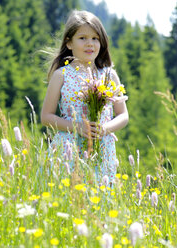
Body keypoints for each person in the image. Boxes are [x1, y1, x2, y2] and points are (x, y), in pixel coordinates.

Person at [40, 10, 129, 185]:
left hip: (103, 150)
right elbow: (46, 117)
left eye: (95, 38)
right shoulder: (62, 75)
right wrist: (76, 126)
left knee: (100, 203)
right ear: (69, 43)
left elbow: (123, 115)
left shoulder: (109, 76)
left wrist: (104, 128)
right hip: (68, 149)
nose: (90, 44)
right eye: (82, 38)